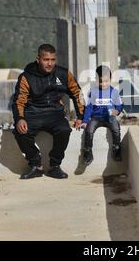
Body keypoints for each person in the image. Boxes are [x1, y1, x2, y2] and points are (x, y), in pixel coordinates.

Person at [12, 44, 85, 180]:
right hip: (33, 112)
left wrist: (81, 116)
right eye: (46, 60)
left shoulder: (63, 74)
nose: (49, 63)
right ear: (38, 59)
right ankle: (36, 165)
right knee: (20, 132)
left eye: (52, 60)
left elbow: (77, 93)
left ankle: (54, 166)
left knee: (64, 130)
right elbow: (19, 100)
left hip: (55, 113)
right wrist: (20, 119)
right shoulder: (26, 76)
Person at [81, 65, 123, 165]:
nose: (103, 84)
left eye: (106, 81)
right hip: (96, 118)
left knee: (116, 129)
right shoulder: (93, 92)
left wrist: (117, 111)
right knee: (89, 130)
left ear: (110, 79)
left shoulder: (114, 92)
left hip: (110, 118)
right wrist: (85, 121)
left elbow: (120, 105)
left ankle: (116, 149)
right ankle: (87, 152)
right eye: (100, 81)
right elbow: (89, 108)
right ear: (96, 79)